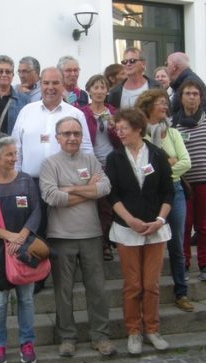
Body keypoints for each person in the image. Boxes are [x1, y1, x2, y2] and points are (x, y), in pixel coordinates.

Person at [39, 117, 116, 358]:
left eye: (76, 133)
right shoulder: (49, 164)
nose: (72, 137)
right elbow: (52, 197)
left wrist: (70, 189)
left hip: (92, 234)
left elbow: (105, 188)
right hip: (61, 236)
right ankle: (67, 337)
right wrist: (87, 191)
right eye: (67, 133)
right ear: (57, 137)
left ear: (82, 136)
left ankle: (100, 336)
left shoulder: (91, 160)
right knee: (63, 290)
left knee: (97, 289)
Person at [105, 108, 174, 355]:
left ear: (138, 129)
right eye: (117, 128)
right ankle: (133, 331)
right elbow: (111, 194)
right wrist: (130, 220)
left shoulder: (156, 154)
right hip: (127, 229)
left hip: (155, 228)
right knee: (133, 284)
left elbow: (168, 192)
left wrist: (159, 220)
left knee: (151, 284)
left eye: (123, 128)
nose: (118, 132)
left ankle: (152, 330)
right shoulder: (114, 158)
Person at [0, 134, 41, 363]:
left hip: (24, 251)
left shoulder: (25, 180)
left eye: (16, 153)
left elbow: (36, 212)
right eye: (10, 154)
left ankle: (27, 342)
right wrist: (8, 236)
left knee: (26, 299)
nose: (15, 158)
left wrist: (22, 235)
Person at [135, 89, 192, 311]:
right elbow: (141, 169)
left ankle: (181, 292)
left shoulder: (173, 133)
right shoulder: (141, 136)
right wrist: (168, 162)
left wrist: (164, 170)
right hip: (150, 195)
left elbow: (186, 163)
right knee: (149, 244)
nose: (166, 107)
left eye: (166, 103)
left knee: (177, 243)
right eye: (161, 103)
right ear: (149, 106)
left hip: (175, 191)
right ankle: (147, 294)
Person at [166, 51, 206, 250]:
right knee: (194, 214)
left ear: (174, 67)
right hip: (188, 167)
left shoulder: (189, 82)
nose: (191, 96)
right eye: (187, 94)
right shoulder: (185, 80)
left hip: (201, 168)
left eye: (167, 64)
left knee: (205, 211)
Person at [173, 80, 206, 281]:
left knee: (203, 225)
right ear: (181, 97)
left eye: (195, 94)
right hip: (184, 182)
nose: (191, 97)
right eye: (187, 93)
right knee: (185, 224)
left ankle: (205, 265)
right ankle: (184, 263)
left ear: (201, 97)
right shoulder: (172, 122)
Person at [11, 67, 93, 183]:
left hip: (66, 184)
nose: (50, 87)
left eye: (55, 83)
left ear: (62, 85)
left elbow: (86, 149)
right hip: (30, 183)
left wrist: (86, 179)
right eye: (46, 83)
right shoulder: (26, 111)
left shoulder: (76, 114)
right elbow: (16, 148)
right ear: (40, 85)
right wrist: (16, 178)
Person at [80, 75, 121, 261]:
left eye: (102, 87)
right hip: (89, 164)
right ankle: (97, 243)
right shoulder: (81, 113)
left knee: (107, 206)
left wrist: (114, 126)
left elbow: (122, 139)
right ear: (89, 90)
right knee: (94, 206)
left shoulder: (113, 111)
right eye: (95, 87)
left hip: (111, 163)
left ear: (107, 91)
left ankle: (105, 243)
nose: (98, 91)